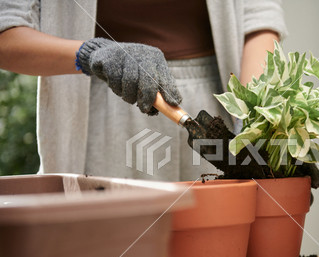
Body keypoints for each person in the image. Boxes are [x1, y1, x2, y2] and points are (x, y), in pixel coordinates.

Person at [0, 0, 287, 182]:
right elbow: (7, 29)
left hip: (218, 99)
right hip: (104, 109)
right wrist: (93, 54)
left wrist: (255, 122)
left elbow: (258, 18)